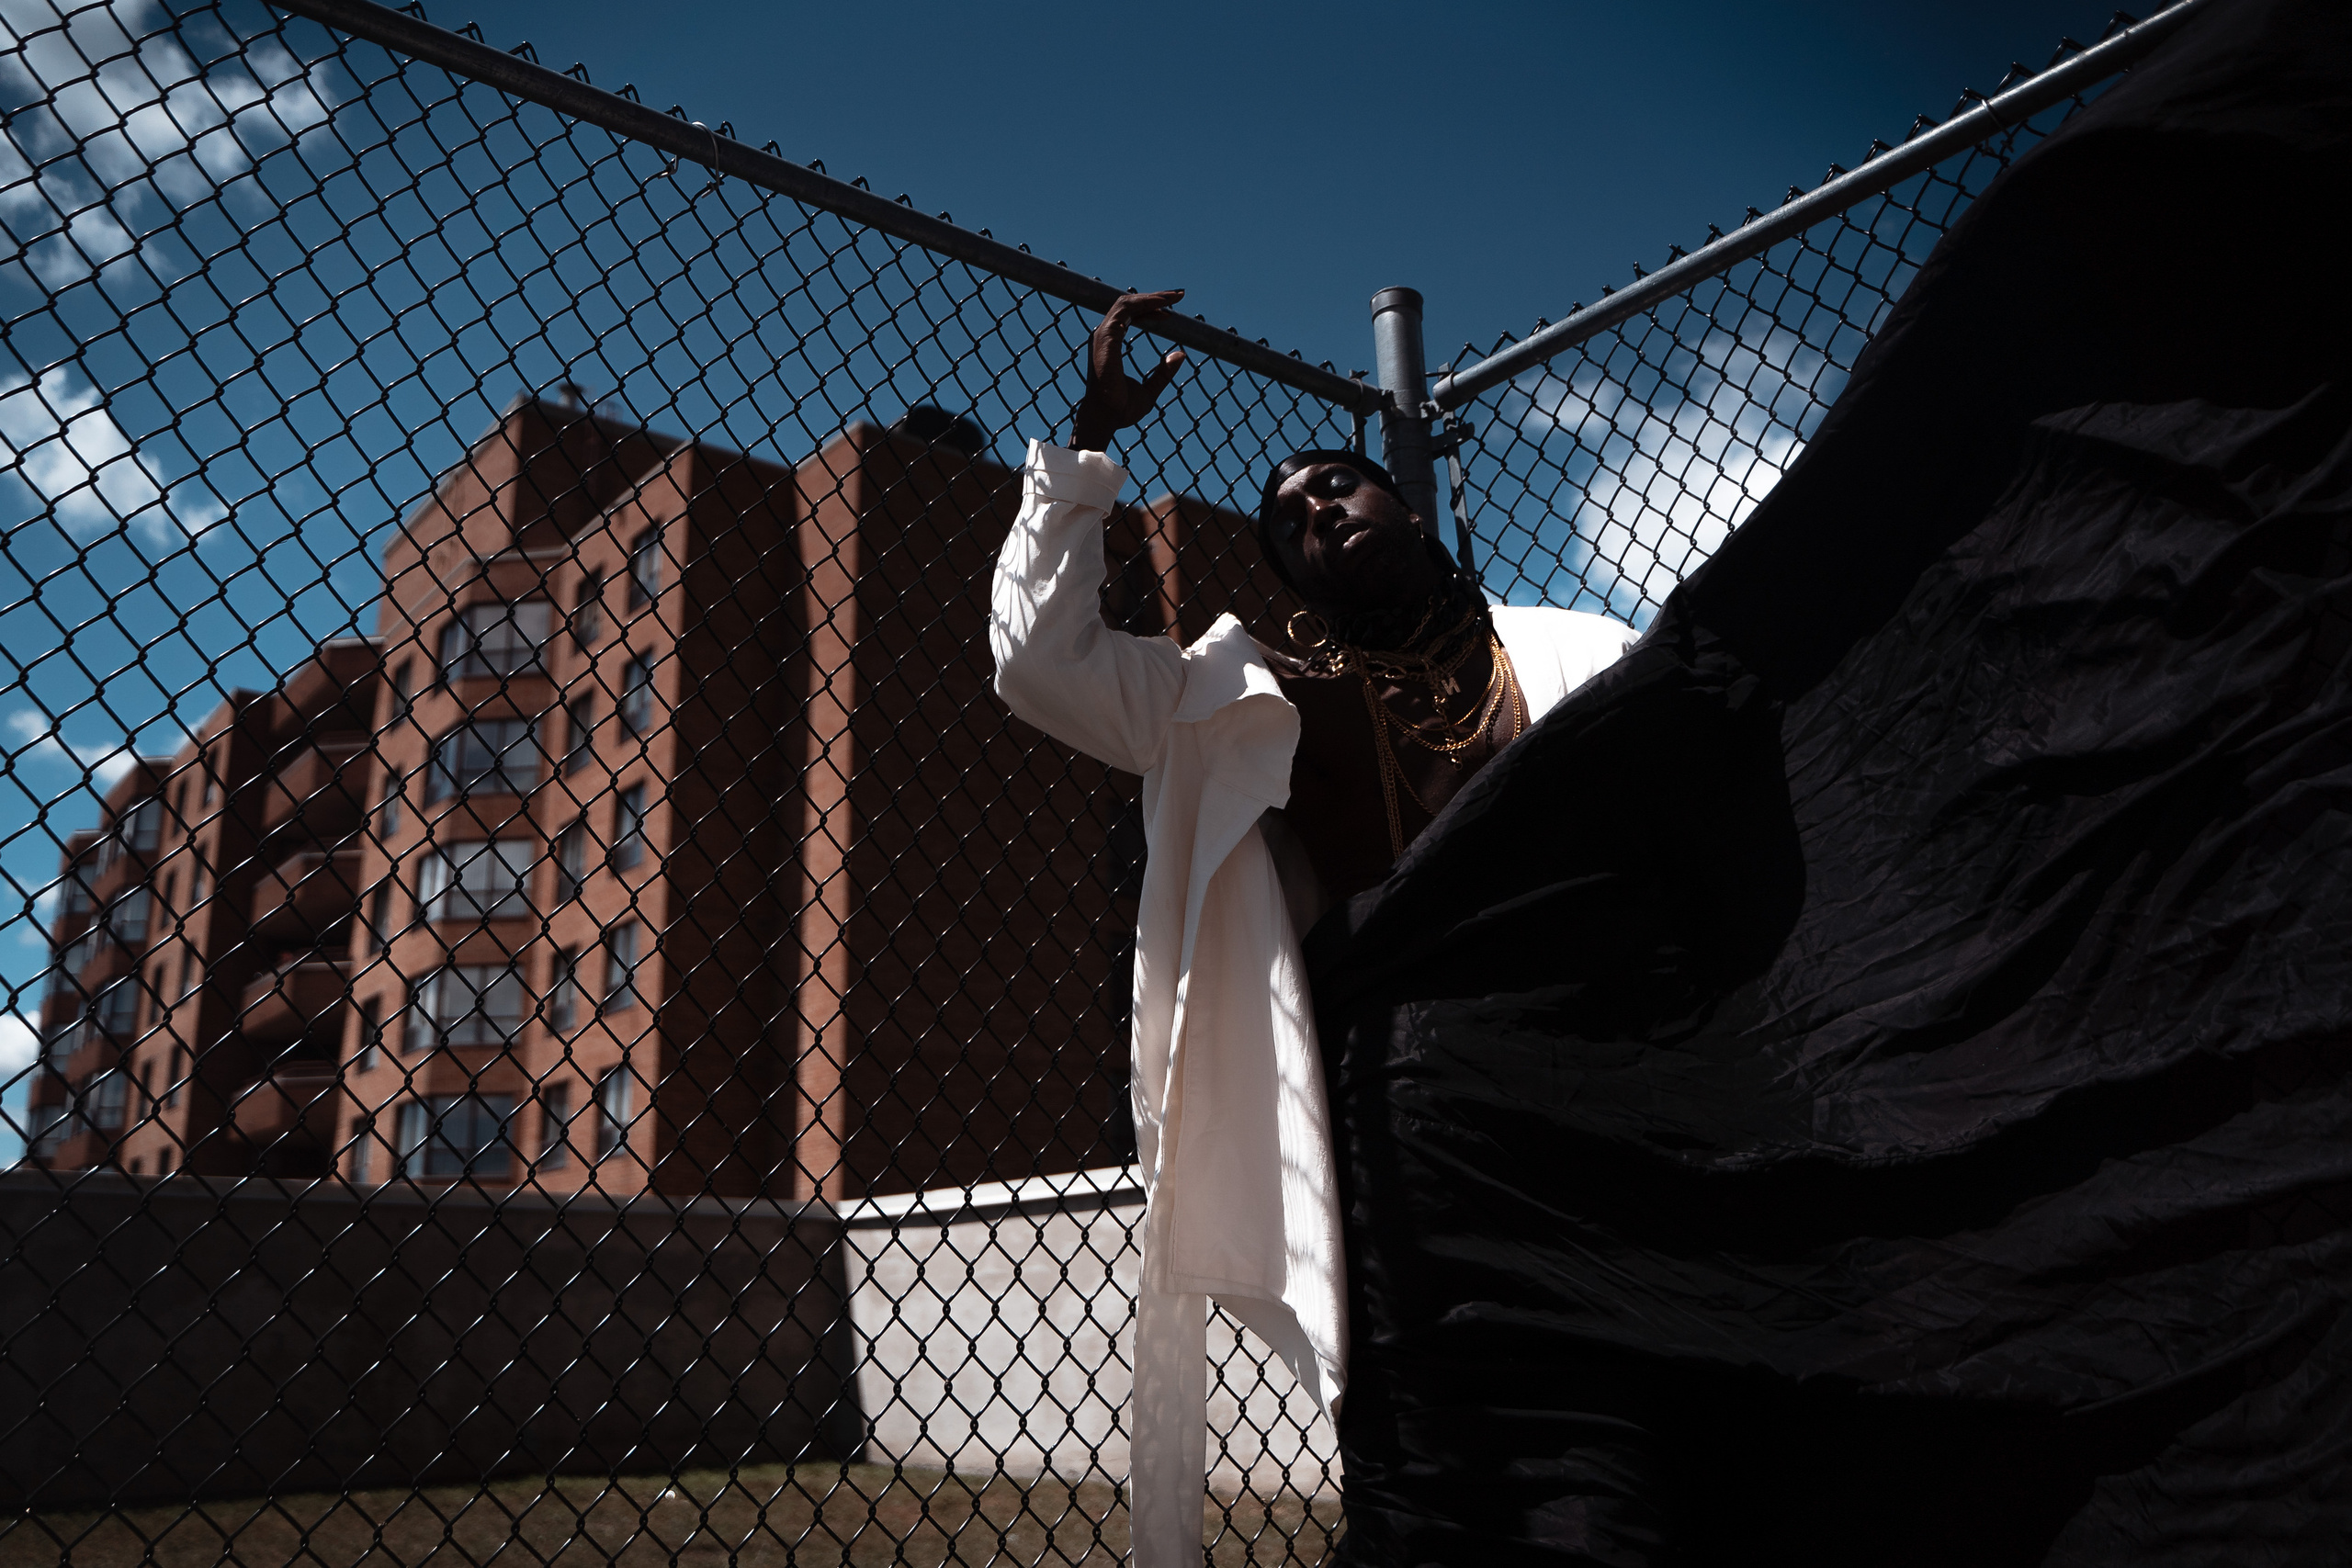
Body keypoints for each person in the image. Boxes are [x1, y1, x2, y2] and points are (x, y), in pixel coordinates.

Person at [989, 288, 1634, 1564]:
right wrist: (1088, 447)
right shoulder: (1268, 700)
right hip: (1406, 1113)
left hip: (1608, 1068)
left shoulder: (1584, 653)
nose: (1317, 507)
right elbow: (1039, 664)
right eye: (1288, 520)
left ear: (1407, 502)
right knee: (1439, 1448)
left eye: (1337, 483)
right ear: (1288, 576)